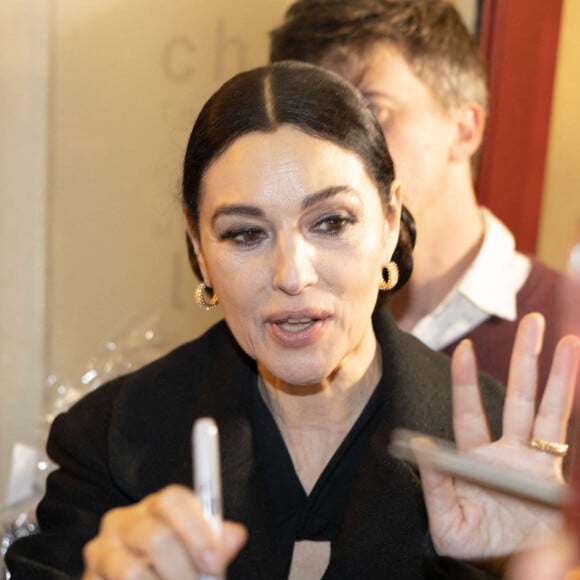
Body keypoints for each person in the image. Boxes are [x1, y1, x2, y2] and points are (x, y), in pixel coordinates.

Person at [5, 62, 578, 579]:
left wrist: (535, 564)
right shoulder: (111, 442)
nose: (291, 274)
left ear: (388, 219)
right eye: (245, 234)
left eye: (330, 222)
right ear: (200, 249)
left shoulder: (496, 449)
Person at [269, 0, 567, 391]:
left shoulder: (565, 330)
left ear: (463, 130)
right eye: (314, 122)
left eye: (372, 109)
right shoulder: (288, 324)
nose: (335, 146)